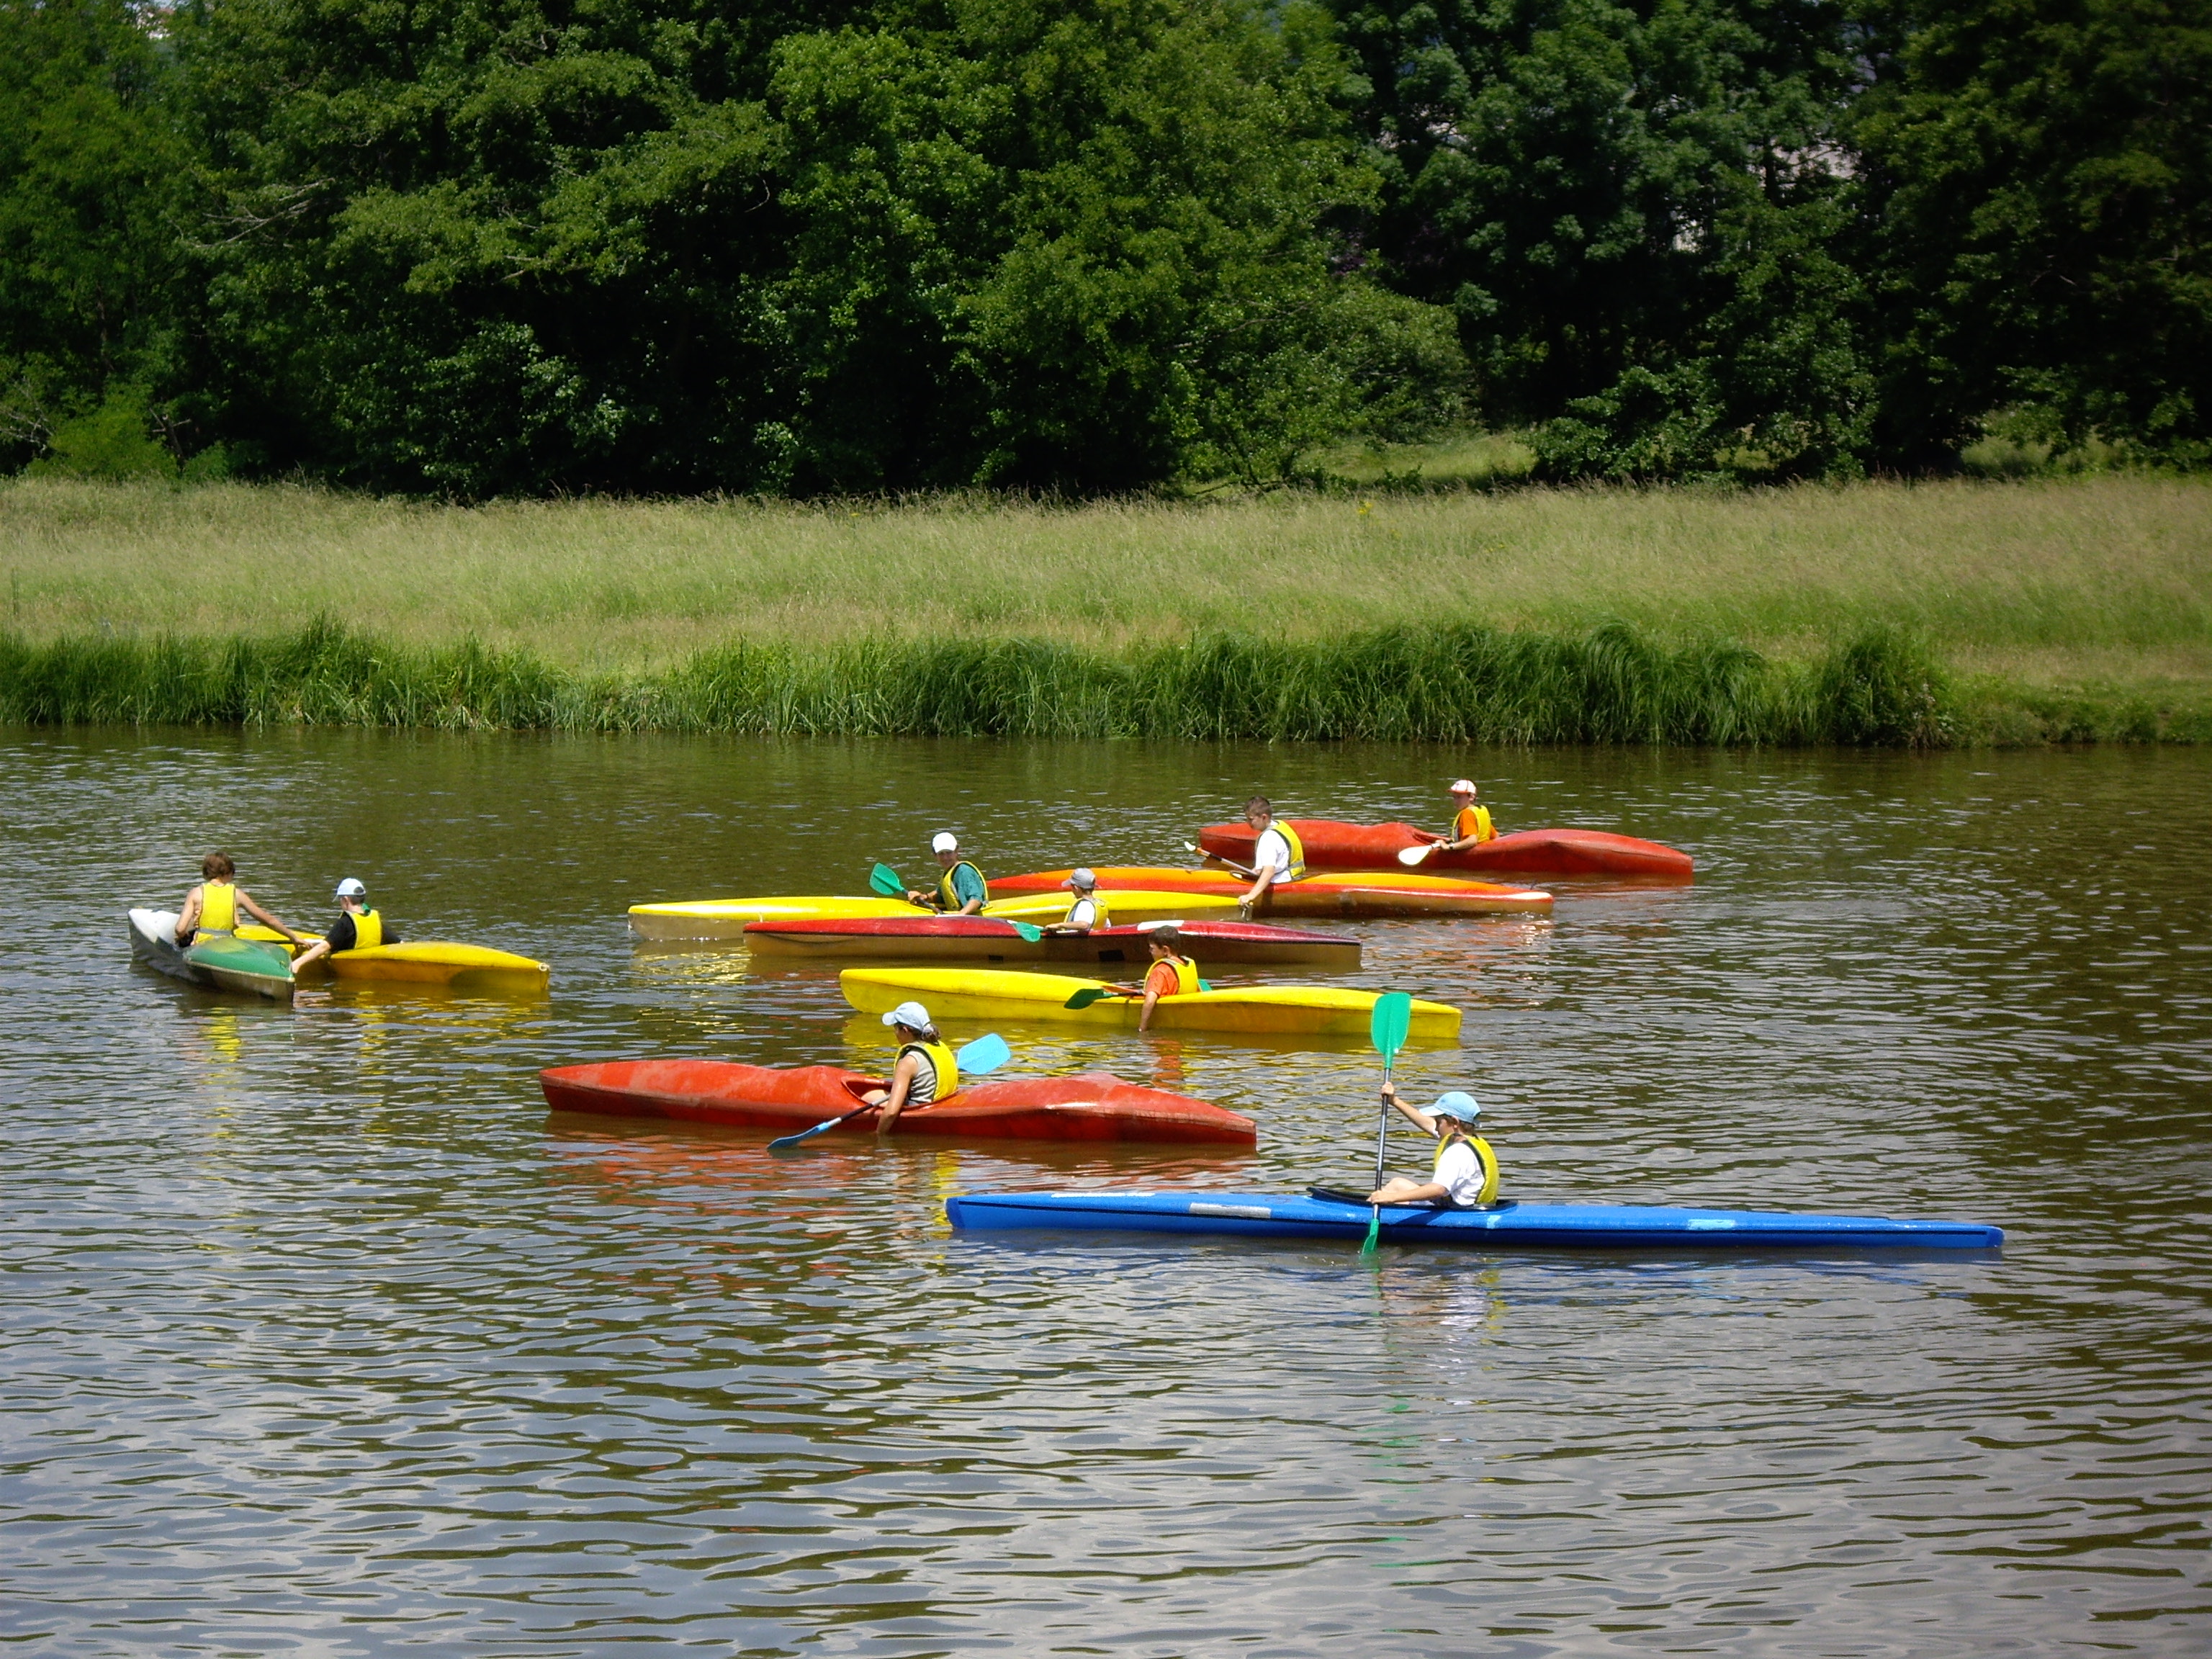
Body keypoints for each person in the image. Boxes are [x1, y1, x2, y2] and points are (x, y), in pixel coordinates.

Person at [1366, 1085, 1500, 1208]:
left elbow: (1438, 1189)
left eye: (1438, 1122)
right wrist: (1395, 1101)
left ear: (1454, 1122)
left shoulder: (1458, 1152)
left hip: (1456, 1213)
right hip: (1467, 1206)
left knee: (1393, 1193)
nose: (1435, 1126)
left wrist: (1391, 1198)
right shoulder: (1470, 1141)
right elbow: (1427, 1124)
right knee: (1397, 1183)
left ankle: (1359, 1218)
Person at [174, 852, 308, 953]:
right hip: (228, 946)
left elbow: (180, 929)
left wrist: (184, 938)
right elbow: (268, 920)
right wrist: (293, 937)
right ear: (228, 872)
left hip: (203, 947)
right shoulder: (237, 893)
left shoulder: (196, 893)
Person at [861, 1002, 958, 1133]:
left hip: (920, 1110)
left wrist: (879, 1136)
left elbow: (891, 1113)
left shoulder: (908, 1062)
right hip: (941, 1102)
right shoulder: (939, 1047)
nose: (895, 1033)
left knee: (868, 1096)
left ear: (905, 1030)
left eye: (896, 1028)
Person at [289, 878, 403, 973]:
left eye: (340, 900)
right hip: (370, 967)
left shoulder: (345, 922)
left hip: (351, 966)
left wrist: (297, 963)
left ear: (345, 900)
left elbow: (324, 947)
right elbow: (400, 943)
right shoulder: (375, 920)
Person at [1218, 796, 1304, 917]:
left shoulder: (1268, 838)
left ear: (1264, 817)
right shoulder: (1280, 825)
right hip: (1295, 877)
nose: (1248, 823)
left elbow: (1269, 871)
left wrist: (1250, 896)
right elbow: (1265, 867)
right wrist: (1254, 872)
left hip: (1282, 882)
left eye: (1251, 819)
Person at [1136, 925, 1200, 1033]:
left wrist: (1142, 1029)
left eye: (1152, 948)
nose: (1149, 951)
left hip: (1170, 1023)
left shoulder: (1161, 970)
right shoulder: (1187, 964)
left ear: (1165, 950)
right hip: (1187, 1018)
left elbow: (1150, 1001)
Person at [909, 832, 987, 915]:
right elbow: (940, 894)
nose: (945, 858)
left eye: (949, 852)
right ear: (935, 855)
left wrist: (959, 916)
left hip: (975, 919)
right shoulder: (950, 872)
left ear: (957, 851)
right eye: (941, 854)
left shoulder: (964, 871)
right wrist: (924, 897)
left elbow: (976, 899)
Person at [1434, 778, 1497, 851]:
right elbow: (1496, 836)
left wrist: (1448, 847)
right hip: (1482, 852)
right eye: (1454, 797)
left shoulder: (1467, 813)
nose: (1455, 801)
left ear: (1471, 797)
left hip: (1471, 855)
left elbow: (1472, 841)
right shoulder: (1481, 810)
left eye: (1459, 797)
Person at [1046, 868, 1112, 935]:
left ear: (1076, 888)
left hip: (1080, 942)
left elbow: (1084, 924)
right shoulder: (1099, 904)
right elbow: (1107, 925)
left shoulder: (1084, 904)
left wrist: (1059, 925)